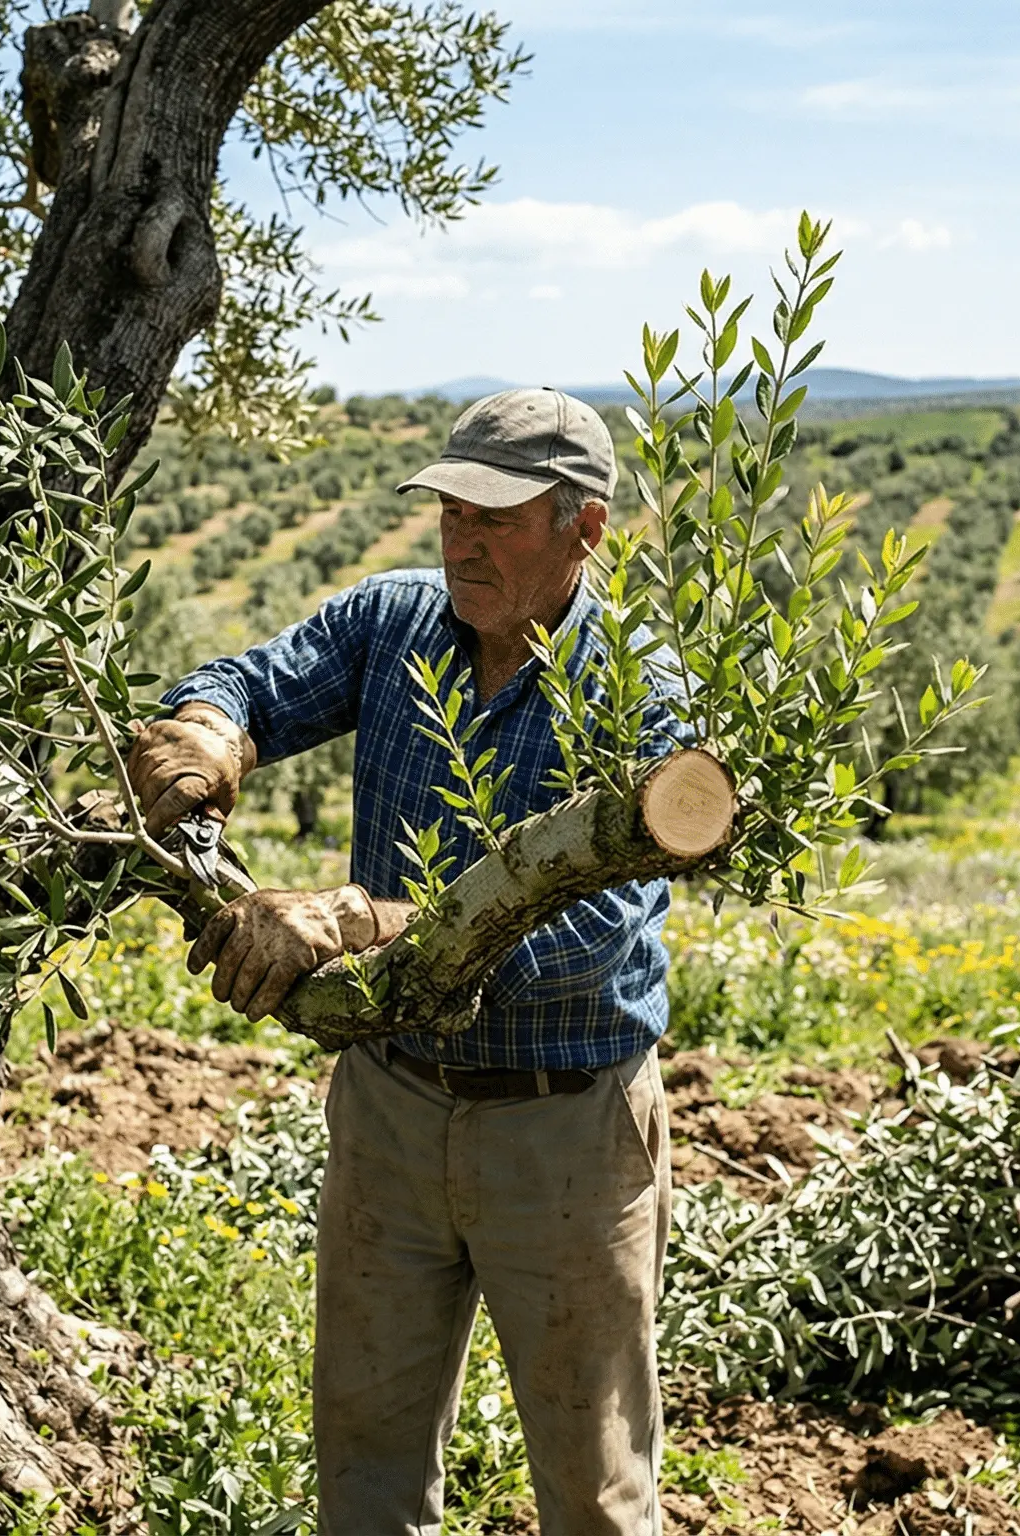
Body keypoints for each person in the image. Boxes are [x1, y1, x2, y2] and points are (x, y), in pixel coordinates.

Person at [126, 387, 680, 1536]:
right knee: (365, 1467)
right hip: (389, 1110)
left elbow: (590, 933)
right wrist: (207, 733)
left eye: (495, 518)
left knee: (593, 1490)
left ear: (582, 529)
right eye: (447, 512)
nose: (460, 540)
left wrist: (358, 921)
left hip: (563, 1136)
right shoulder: (393, 623)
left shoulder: (636, 692)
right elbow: (253, 681)